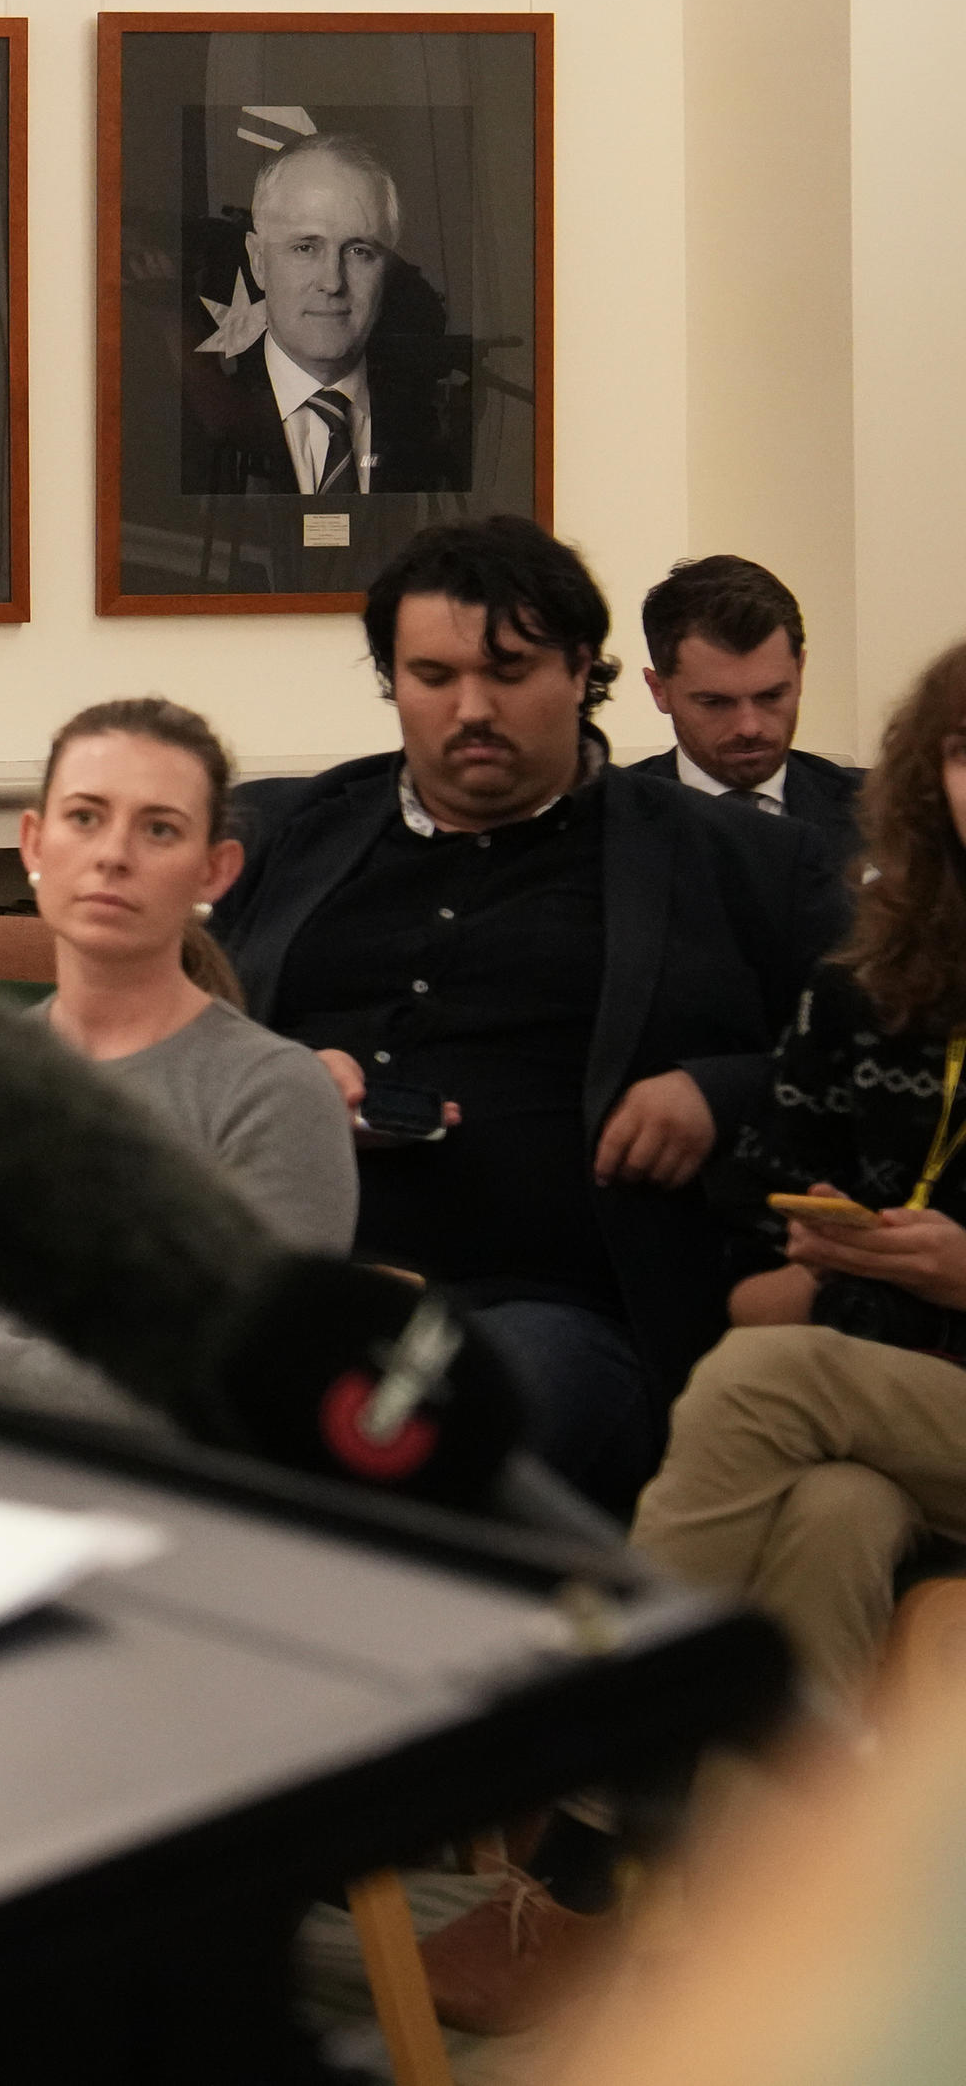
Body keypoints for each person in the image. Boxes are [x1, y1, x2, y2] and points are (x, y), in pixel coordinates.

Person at [214, 518, 853, 1519]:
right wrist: (282, 1076)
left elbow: (870, 1070)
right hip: (296, 1278)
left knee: (424, 1435)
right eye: (431, 676)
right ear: (391, 679)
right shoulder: (285, 834)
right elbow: (172, 1033)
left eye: (508, 672)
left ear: (581, 670)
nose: (471, 708)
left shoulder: (746, 863)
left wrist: (719, 1091)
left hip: (555, 1305)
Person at [0, 698, 359, 1422]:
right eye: (85, 817)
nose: (113, 854)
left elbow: (246, 1385)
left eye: (159, 828)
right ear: (34, 843)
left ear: (215, 870)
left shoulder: (275, 1091)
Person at [636, 639, 966, 1724]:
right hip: (889, 1402)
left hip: (862, 1387)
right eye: (964, 753)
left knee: (759, 1382)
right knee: (829, 1517)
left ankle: (582, 1784)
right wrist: (835, 1264)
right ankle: (765, 1884)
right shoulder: (863, 992)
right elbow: (744, 1280)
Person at [178, 129, 474, 495]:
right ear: (257, 261)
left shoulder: (414, 426)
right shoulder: (178, 428)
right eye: (305, 248)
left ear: (387, 268)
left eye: (359, 251)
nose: (332, 282)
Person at [635, 553, 865, 822]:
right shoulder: (604, 823)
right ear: (658, 689)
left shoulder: (883, 817)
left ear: (800, 672)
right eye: (715, 702)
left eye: (771, 696)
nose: (749, 727)